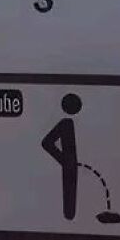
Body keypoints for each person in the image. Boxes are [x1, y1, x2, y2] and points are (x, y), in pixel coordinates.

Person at [41, 92, 82, 221]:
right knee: (69, 192)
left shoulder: (70, 124)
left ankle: (70, 216)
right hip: (69, 165)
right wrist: (63, 160)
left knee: (72, 191)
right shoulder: (65, 124)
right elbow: (46, 143)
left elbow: (46, 143)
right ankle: (69, 215)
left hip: (72, 164)